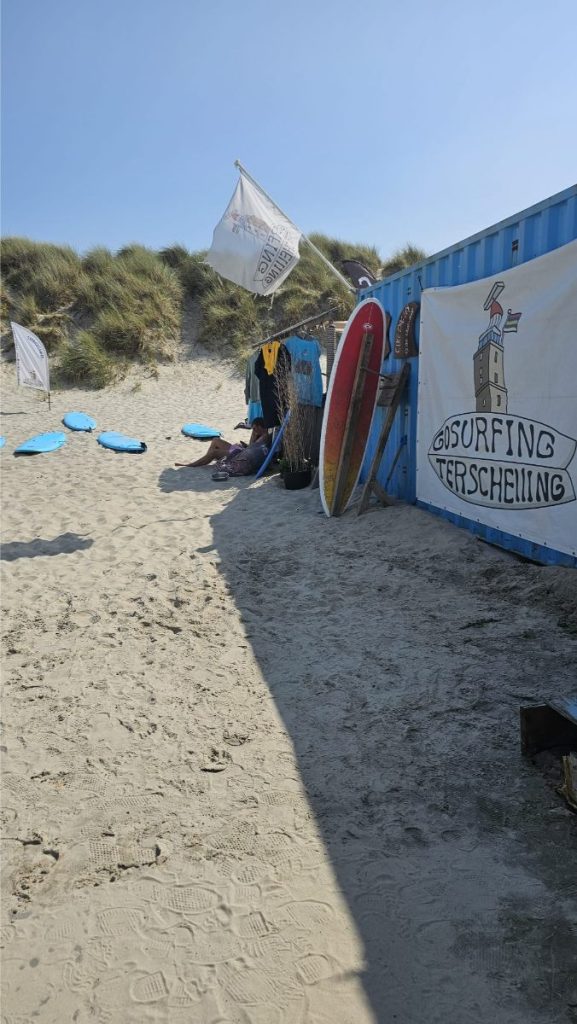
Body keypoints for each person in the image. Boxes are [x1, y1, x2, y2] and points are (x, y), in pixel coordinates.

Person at [175, 419, 270, 472]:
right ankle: (206, 459)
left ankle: (192, 465)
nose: (254, 431)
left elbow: (251, 449)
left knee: (214, 452)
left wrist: (253, 438)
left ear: (260, 426)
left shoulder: (265, 436)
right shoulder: (259, 434)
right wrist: (250, 439)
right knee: (216, 440)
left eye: (254, 428)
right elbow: (251, 447)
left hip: (240, 455)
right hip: (241, 451)